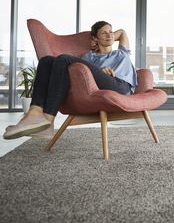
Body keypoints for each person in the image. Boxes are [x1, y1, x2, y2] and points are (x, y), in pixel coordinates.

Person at [3, 21, 136, 140]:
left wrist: (108, 34)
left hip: (121, 86)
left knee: (63, 59)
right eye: (104, 33)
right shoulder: (90, 56)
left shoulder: (121, 52)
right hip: (101, 85)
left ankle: (47, 120)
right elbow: (81, 75)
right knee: (47, 60)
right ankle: (35, 112)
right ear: (95, 38)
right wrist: (99, 70)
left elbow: (122, 32)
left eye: (111, 32)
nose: (109, 35)